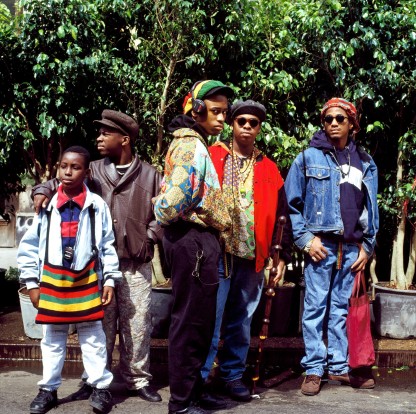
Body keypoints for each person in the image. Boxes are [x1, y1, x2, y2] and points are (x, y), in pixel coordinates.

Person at [32, 110, 163, 402]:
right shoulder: (91, 170)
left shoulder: (151, 175)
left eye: (106, 133)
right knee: (99, 324)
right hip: (97, 267)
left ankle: (137, 380)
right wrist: (41, 190)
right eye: (100, 132)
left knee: (137, 323)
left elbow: (164, 212)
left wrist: (150, 237)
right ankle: (95, 380)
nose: (99, 138)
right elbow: (57, 184)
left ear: (125, 139)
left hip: (134, 264)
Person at [284, 98, 379, 396]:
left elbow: (372, 208)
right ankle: (313, 367)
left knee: (341, 308)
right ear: (323, 123)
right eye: (328, 119)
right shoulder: (307, 157)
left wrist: (368, 245)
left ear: (352, 123)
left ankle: (338, 366)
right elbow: (290, 205)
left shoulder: (365, 162)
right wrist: (305, 239)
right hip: (320, 246)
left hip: (351, 248)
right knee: (314, 308)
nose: (334, 123)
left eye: (340, 118)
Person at [18, 146, 121, 414]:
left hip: (87, 278)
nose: (68, 171)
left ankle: (100, 388)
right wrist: (32, 282)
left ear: (87, 172)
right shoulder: (47, 205)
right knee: (52, 337)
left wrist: (109, 279)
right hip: (53, 279)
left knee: (92, 336)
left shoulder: (97, 206)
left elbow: (108, 245)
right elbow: (28, 246)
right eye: (64, 166)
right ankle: (48, 390)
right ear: (58, 169)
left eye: (75, 167)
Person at [201, 100, 292, 401]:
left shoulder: (268, 166)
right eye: (242, 121)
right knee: (211, 318)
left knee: (241, 320)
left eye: (253, 123)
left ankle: (232, 375)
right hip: (217, 252)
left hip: (253, 255)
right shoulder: (213, 156)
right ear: (232, 124)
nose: (247, 127)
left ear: (259, 128)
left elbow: (282, 215)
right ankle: (199, 378)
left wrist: (281, 258)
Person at [153, 80, 234, 414]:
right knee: (189, 323)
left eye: (224, 113)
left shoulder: (195, 143)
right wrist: (160, 206)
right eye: (215, 111)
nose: (222, 119)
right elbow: (170, 205)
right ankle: (182, 402)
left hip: (196, 243)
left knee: (199, 322)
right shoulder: (191, 146)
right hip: (191, 242)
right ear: (196, 109)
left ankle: (193, 392)